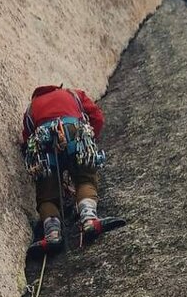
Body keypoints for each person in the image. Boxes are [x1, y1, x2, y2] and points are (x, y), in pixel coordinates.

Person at [20, 83, 116, 251]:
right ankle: (89, 219)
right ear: (57, 88)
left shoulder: (31, 109)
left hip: (42, 143)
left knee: (47, 194)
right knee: (85, 178)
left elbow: (27, 140)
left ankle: (52, 234)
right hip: (74, 133)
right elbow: (97, 117)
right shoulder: (73, 94)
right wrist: (91, 140)